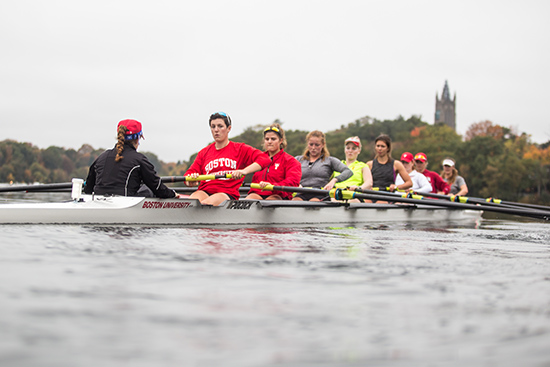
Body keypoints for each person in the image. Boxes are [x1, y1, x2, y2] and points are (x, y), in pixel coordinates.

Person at [184, 111, 271, 206]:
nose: (216, 130)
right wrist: (191, 180)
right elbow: (188, 175)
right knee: (189, 203)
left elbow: (265, 159)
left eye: (220, 126)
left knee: (206, 204)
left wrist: (243, 171)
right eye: (213, 127)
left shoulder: (240, 149)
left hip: (226, 194)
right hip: (204, 191)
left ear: (229, 128)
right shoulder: (204, 152)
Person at [84, 119, 179, 198]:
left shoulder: (101, 158)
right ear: (138, 138)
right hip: (126, 206)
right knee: (147, 188)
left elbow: (88, 188)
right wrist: (173, 195)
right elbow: (157, 187)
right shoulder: (139, 160)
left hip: (98, 204)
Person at [245, 123, 302, 200]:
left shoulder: (291, 161)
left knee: (271, 201)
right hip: (257, 194)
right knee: (250, 199)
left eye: (273, 139)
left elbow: (292, 182)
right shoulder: (257, 158)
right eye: (267, 139)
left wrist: (272, 186)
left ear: (281, 141)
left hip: (278, 195)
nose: (269, 142)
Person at [293, 130, 353, 201]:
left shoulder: (330, 160)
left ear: (323, 144)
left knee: (312, 204)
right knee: (295, 202)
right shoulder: (298, 159)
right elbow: (286, 172)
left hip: (320, 193)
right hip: (302, 193)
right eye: (311, 144)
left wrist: (334, 180)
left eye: (317, 145)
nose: (313, 148)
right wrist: (296, 183)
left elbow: (348, 172)